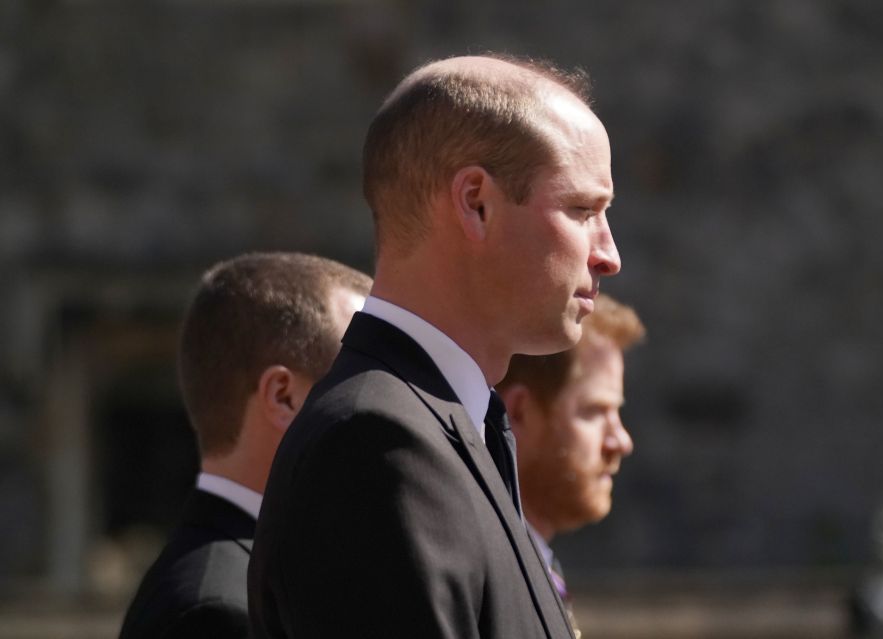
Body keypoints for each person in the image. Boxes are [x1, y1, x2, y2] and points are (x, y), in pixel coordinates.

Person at [248, 54, 621, 639]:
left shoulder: (448, 424)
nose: (608, 254)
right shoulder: (376, 443)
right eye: (582, 211)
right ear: (475, 202)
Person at [118, 252, 371, 639]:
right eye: (356, 386)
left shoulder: (250, 579)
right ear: (283, 397)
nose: (381, 410)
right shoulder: (218, 611)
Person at [496, 292, 645, 636]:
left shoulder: (530, 568)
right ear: (518, 412)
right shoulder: (486, 575)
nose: (621, 441)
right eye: (595, 412)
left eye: (617, 412)